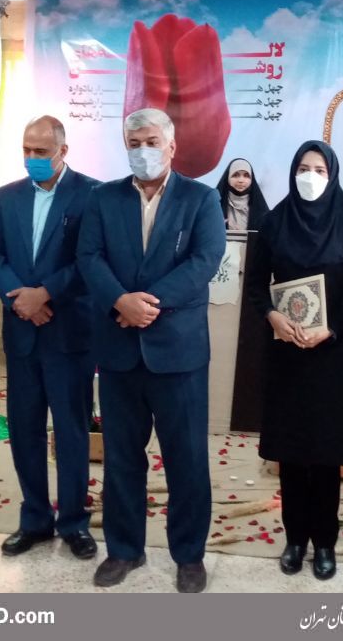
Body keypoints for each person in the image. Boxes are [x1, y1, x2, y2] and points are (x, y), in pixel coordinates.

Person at [77, 107, 227, 593]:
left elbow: (205, 260)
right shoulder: (103, 198)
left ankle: (189, 554)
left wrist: (146, 305)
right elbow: (89, 257)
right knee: (122, 457)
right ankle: (124, 549)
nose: (143, 151)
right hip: (119, 351)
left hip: (178, 354)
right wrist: (120, 301)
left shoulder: (201, 198)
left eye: (151, 142)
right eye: (134, 143)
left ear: (171, 146)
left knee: (186, 459)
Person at [245, 141, 343, 581]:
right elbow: (256, 285)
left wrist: (331, 327)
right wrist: (272, 316)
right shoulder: (274, 222)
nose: (310, 176)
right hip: (286, 353)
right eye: (303, 167)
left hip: (329, 354)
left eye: (319, 169)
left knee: (325, 451)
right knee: (292, 451)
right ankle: (295, 538)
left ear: (332, 175)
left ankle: (325, 542)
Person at [0, 116, 100, 562]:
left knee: (71, 431)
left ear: (62, 151)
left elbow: (92, 259)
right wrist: (19, 298)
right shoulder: (8, 195)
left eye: (41, 151)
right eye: (27, 150)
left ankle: (73, 522)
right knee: (25, 430)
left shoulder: (91, 194)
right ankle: (34, 518)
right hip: (22, 332)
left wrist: (46, 293)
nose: (32, 158)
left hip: (69, 333)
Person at [216, 158, 269, 231]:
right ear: (228, 178)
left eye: (246, 176)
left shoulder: (261, 210)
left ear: (252, 179)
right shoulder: (215, 206)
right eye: (235, 175)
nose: (241, 180)